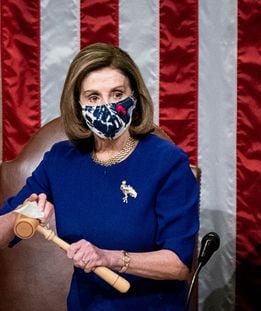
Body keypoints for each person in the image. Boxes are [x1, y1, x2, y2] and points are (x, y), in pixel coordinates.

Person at [0, 43, 200, 310]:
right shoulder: (60, 160)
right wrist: (21, 216)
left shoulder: (167, 161)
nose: (107, 106)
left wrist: (109, 257)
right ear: (77, 104)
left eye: (117, 94)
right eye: (93, 97)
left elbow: (179, 265)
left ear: (135, 98)